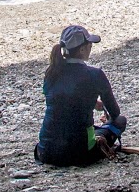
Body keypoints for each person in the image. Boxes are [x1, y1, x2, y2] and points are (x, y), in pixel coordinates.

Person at [35, 24, 129, 166]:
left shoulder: (51, 73)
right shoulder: (95, 74)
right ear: (82, 49)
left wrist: (92, 103)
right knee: (119, 121)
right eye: (89, 43)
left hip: (45, 152)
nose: (91, 46)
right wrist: (103, 111)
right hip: (80, 153)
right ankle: (97, 138)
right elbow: (115, 112)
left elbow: (63, 102)